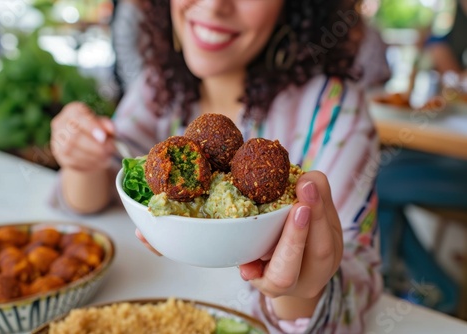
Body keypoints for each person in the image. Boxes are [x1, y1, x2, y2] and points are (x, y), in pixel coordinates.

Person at [50, 0, 382, 332]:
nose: (213, 5)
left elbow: (361, 287)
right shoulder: (157, 84)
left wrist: (298, 294)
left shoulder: (335, 111)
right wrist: (81, 158)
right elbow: (96, 195)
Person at [377, 0, 467, 314]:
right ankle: (424, 285)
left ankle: (420, 286)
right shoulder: (451, 37)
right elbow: (450, 90)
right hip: (453, 154)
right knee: (381, 173)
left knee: (378, 184)